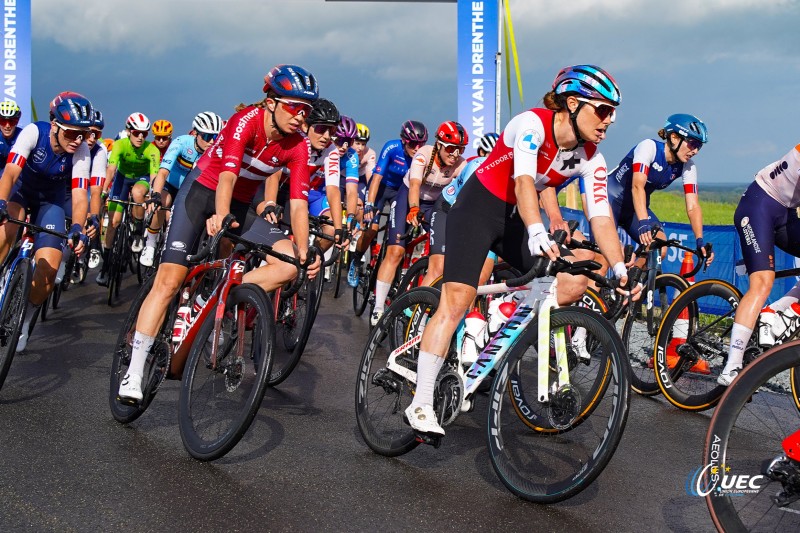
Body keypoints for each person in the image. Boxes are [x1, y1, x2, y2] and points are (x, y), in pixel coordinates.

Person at [403, 65, 634, 436]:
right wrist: (537, 229)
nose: (609, 120)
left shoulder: (593, 158)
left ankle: (502, 310)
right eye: (603, 110)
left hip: (514, 220)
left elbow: (602, 218)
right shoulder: (532, 124)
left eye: (614, 113)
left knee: (574, 281)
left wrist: (620, 268)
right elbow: (524, 180)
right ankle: (421, 401)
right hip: (477, 209)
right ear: (572, 104)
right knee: (457, 299)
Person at [118, 64, 320, 403]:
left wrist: (303, 249)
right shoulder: (246, 121)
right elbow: (226, 177)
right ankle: (134, 371)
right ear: (271, 102)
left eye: (307, 111)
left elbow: (298, 203)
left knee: (288, 265)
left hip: (241, 203)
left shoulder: (298, 145)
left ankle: (219, 298)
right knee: (168, 282)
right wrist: (221, 215)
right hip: (201, 193)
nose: (302, 118)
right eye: (296, 108)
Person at [0, 92, 92, 350]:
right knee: (6, 232)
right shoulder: (33, 132)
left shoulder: (81, 150)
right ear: (55, 125)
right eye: (72, 133)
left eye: (82, 134)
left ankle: (24, 322)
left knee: (49, 270)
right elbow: (10, 172)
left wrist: (77, 227)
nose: (78, 140)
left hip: (49, 204)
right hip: (21, 192)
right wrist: (1, 203)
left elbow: (78, 194)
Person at [370, 121, 468, 326]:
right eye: (450, 148)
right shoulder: (424, 154)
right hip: (408, 198)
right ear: (439, 145)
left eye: (460, 149)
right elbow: (414, 185)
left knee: (442, 250)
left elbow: (465, 195)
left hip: (434, 204)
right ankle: (378, 307)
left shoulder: (460, 165)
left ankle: (417, 292)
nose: (455, 154)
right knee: (396, 251)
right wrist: (413, 208)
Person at [718, 144, 800, 385]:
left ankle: (775, 313)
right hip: (759, 205)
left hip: (786, 214)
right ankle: (731, 366)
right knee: (763, 282)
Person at [607, 114, 712, 259]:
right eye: (693, 143)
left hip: (635, 209)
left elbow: (693, 206)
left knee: (659, 248)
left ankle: (634, 280)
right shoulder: (649, 147)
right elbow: (637, 186)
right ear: (674, 137)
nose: (696, 151)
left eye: (699, 146)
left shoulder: (688, 166)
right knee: (606, 257)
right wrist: (643, 222)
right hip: (610, 199)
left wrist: (699, 241)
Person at [348, 120, 427, 287]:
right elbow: (376, 178)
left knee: (400, 234)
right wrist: (369, 203)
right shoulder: (392, 148)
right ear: (404, 140)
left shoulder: (422, 156)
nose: (417, 148)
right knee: (371, 230)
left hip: (400, 193)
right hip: (382, 189)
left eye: (421, 144)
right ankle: (356, 260)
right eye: (413, 144)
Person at [140, 111, 223, 267]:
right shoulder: (182, 142)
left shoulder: (215, 153)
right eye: (207, 136)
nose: (212, 141)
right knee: (164, 201)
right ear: (196, 134)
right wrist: (155, 194)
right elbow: (163, 172)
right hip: (170, 184)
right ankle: (150, 243)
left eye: (216, 137)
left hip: (191, 190)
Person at [96, 112, 160, 285]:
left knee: (138, 194)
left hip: (142, 178)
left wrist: (153, 193)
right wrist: (104, 189)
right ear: (128, 131)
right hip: (122, 179)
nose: (140, 137)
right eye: (136, 132)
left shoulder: (151, 149)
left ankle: (138, 232)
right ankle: (106, 266)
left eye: (144, 134)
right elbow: (111, 169)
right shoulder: (120, 145)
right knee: (114, 223)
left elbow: (154, 174)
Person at [0, 101, 23, 172]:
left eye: (12, 121)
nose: (7, 126)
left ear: (18, 121)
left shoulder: (23, 135)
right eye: (3, 121)